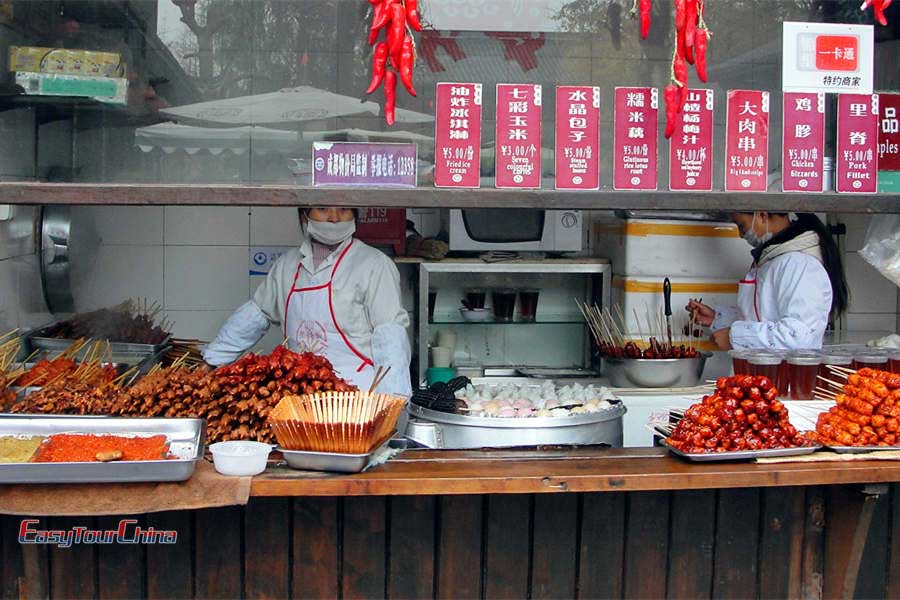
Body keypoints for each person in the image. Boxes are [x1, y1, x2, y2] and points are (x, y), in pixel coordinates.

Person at [203, 207, 412, 397]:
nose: (334, 217)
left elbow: (390, 332)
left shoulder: (374, 264)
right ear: (304, 214)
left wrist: (392, 397)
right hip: (297, 392)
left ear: (356, 215)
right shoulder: (286, 265)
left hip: (356, 395)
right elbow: (256, 315)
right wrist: (212, 360)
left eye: (344, 209)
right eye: (322, 209)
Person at [686, 212, 848, 351]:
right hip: (761, 377)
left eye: (741, 226)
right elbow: (765, 317)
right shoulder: (774, 259)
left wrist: (733, 337)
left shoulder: (799, 264)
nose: (741, 235)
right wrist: (718, 318)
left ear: (762, 216)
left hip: (786, 381)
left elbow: (799, 336)